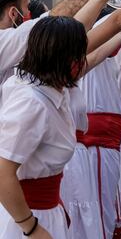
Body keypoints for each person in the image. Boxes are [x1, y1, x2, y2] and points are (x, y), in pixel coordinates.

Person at [0, 16, 87, 239]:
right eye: (79, 54)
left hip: (45, 213)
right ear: (63, 58)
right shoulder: (32, 102)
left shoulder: (50, 92)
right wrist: (31, 227)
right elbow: (2, 172)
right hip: (26, 219)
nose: (83, 61)